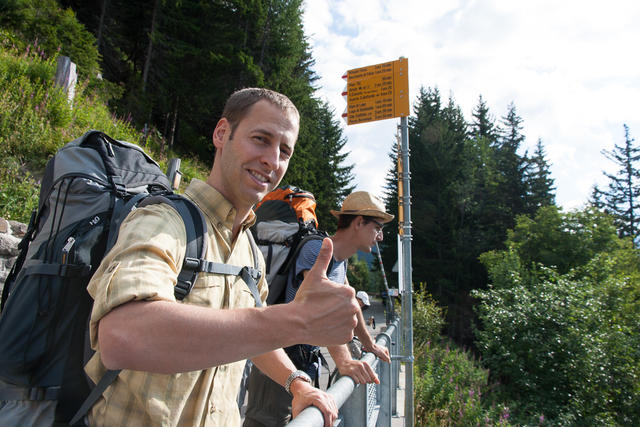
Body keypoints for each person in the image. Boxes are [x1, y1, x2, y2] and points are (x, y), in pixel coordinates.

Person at [84, 88, 360, 427]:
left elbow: (251, 335)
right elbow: (121, 336)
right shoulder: (162, 221)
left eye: (284, 151)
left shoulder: (249, 252)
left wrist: (297, 382)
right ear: (221, 133)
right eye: (261, 139)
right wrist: (295, 321)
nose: (273, 161)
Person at [243, 191, 393, 427]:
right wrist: (344, 362)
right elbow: (319, 310)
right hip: (279, 361)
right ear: (359, 222)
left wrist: (369, 343)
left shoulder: (340, 261)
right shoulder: (318, 250)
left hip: (303, 363)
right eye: (377, 227)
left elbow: (350, 306)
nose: (381, 236)